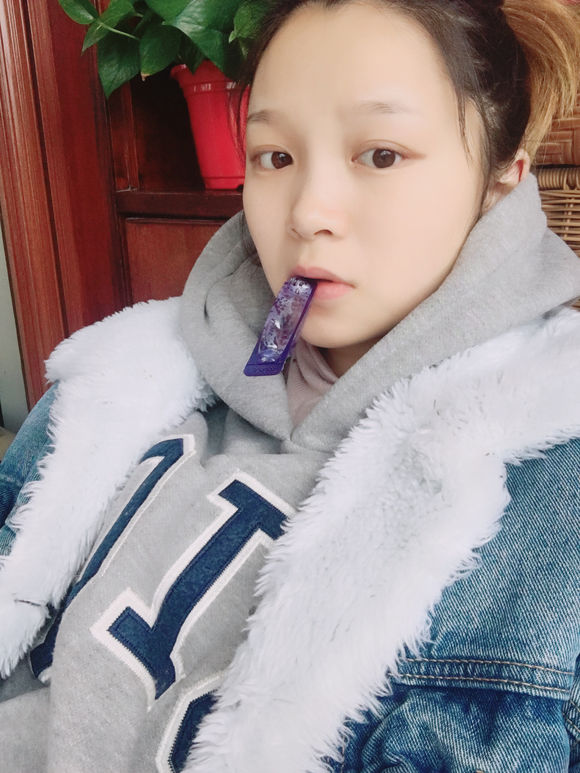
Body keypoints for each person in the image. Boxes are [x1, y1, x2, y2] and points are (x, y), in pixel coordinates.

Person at [1, 0, 580, 769]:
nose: (307, 213)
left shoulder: (553, 492)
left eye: (381, 154)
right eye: (275, 157)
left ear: (502, 179)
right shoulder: (116, 378)